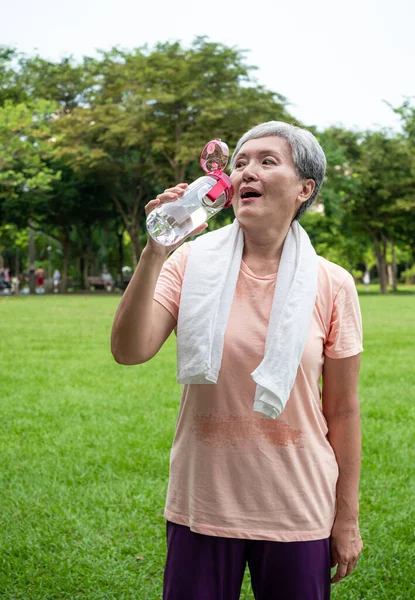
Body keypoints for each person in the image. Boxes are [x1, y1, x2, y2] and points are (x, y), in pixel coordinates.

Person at [111, 121, 364, 600]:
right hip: (203, 502)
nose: (247, 170)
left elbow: (344, 411)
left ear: (304, 188)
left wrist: (346, 517)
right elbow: (129, 350)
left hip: (298, 504)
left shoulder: (333, 284)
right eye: (240, 162)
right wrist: (155, 253)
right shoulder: (190, 263)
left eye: (268, 161)